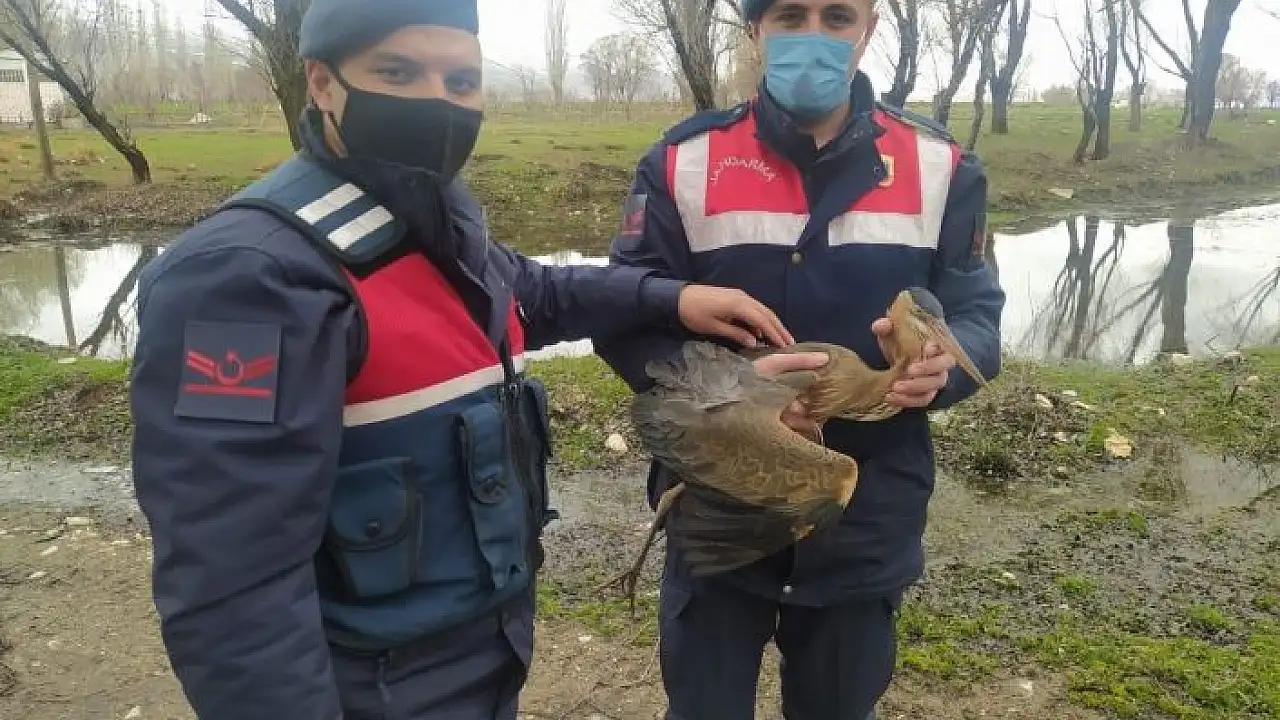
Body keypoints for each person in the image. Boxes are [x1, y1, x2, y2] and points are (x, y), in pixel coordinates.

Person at [126, 1, 816, 718]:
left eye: (461, 81)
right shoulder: (246, 281)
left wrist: (672, 299)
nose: (438, 102)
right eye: (398, 73)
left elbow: (534, 292)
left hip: (480, 659)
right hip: (374, 686)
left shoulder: (434, 221)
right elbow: (235, 594)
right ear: (322, 83)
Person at [592, 1, 1007, 718]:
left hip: (864, 521)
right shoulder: (682, 161)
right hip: (718, 509)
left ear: (868, 29)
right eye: (790, 15)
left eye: (838, 16)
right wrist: (732, 397)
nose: (814, 36)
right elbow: (623, 313)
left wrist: (942, 366)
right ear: (755, 31)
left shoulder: (943, 166)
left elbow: (977, 315)